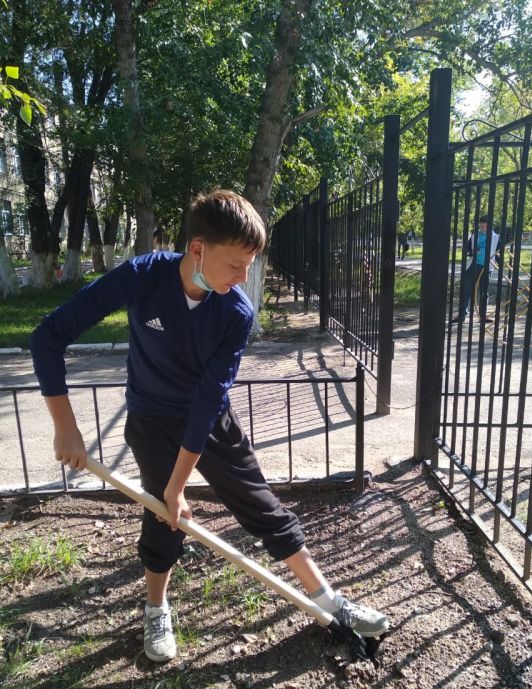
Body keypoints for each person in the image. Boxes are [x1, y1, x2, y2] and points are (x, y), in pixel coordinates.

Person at [30, 190, 389, 663]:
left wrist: (180, 484)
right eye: (236, 265)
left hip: (210, 420)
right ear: (198, 249)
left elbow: (207, 401)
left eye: (249, 267)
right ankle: (156, 607)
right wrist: (66, 428)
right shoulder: (142, 276)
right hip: (151, 419)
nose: (243, 278)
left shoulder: (235, 312)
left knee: (261, 505)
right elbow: (47, 337)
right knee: (164, 517)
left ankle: (329, 601)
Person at [453, 214, 500, 323]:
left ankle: (483, 316)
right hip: (473, 266)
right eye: (481, 224)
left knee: (484, 291)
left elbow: (498, 252)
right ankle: (462, 314)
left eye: (485, 224)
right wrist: (472, 252)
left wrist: (499, 264)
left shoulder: (495, 237)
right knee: (467, 290)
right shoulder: (475, 236)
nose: (483, 226)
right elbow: (467, 250)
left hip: (487, 267)